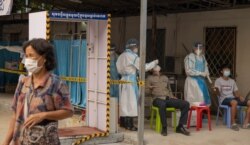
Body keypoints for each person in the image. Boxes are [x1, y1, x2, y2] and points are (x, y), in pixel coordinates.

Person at [2, 38, 73, 145]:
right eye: (26, 56)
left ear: (44, 58)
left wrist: (43, 115)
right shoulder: (23, 83)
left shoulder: (56, 84)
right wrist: (5, 142)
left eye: (31, 56)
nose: (28, 60)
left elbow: (68, 111)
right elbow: (15, 116)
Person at [116, 38, 158, 131]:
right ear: (133, 47)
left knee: (124, 103)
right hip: (130, 82)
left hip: (123, 80)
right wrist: (154, 63)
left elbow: (119, 69)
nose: (137, 48)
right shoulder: (132, 56)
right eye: (136, 47)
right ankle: (129, 125)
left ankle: (123, 122)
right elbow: (143, 67)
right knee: (131, 103)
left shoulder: (121, 56)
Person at [146, 65, 190, 136]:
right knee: (162, 104)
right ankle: (164, 127)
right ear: (151, 70)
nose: (154, 70)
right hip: (157, 99)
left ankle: (180, 127)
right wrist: (150, 88)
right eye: (153, 69)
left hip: (167, 98)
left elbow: (169, 90)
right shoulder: (149, 78)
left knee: (185, 104)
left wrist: (172, 97)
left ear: (159, 69)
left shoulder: (165, 78)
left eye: (156, 68)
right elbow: (146, 92)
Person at [214, 64, 250, 131]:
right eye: (225, 69)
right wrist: (216, 90)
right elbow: (217, 93)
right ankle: (233, 123)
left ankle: (246, 123)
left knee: (249, 102)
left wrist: (240, 96)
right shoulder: (218, 80)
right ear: (221, 71)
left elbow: (236, 92)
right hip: (224, 99)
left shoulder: (232, 81)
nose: (227, 71)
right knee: (234, 102)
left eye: (228, 69)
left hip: (233, 98)